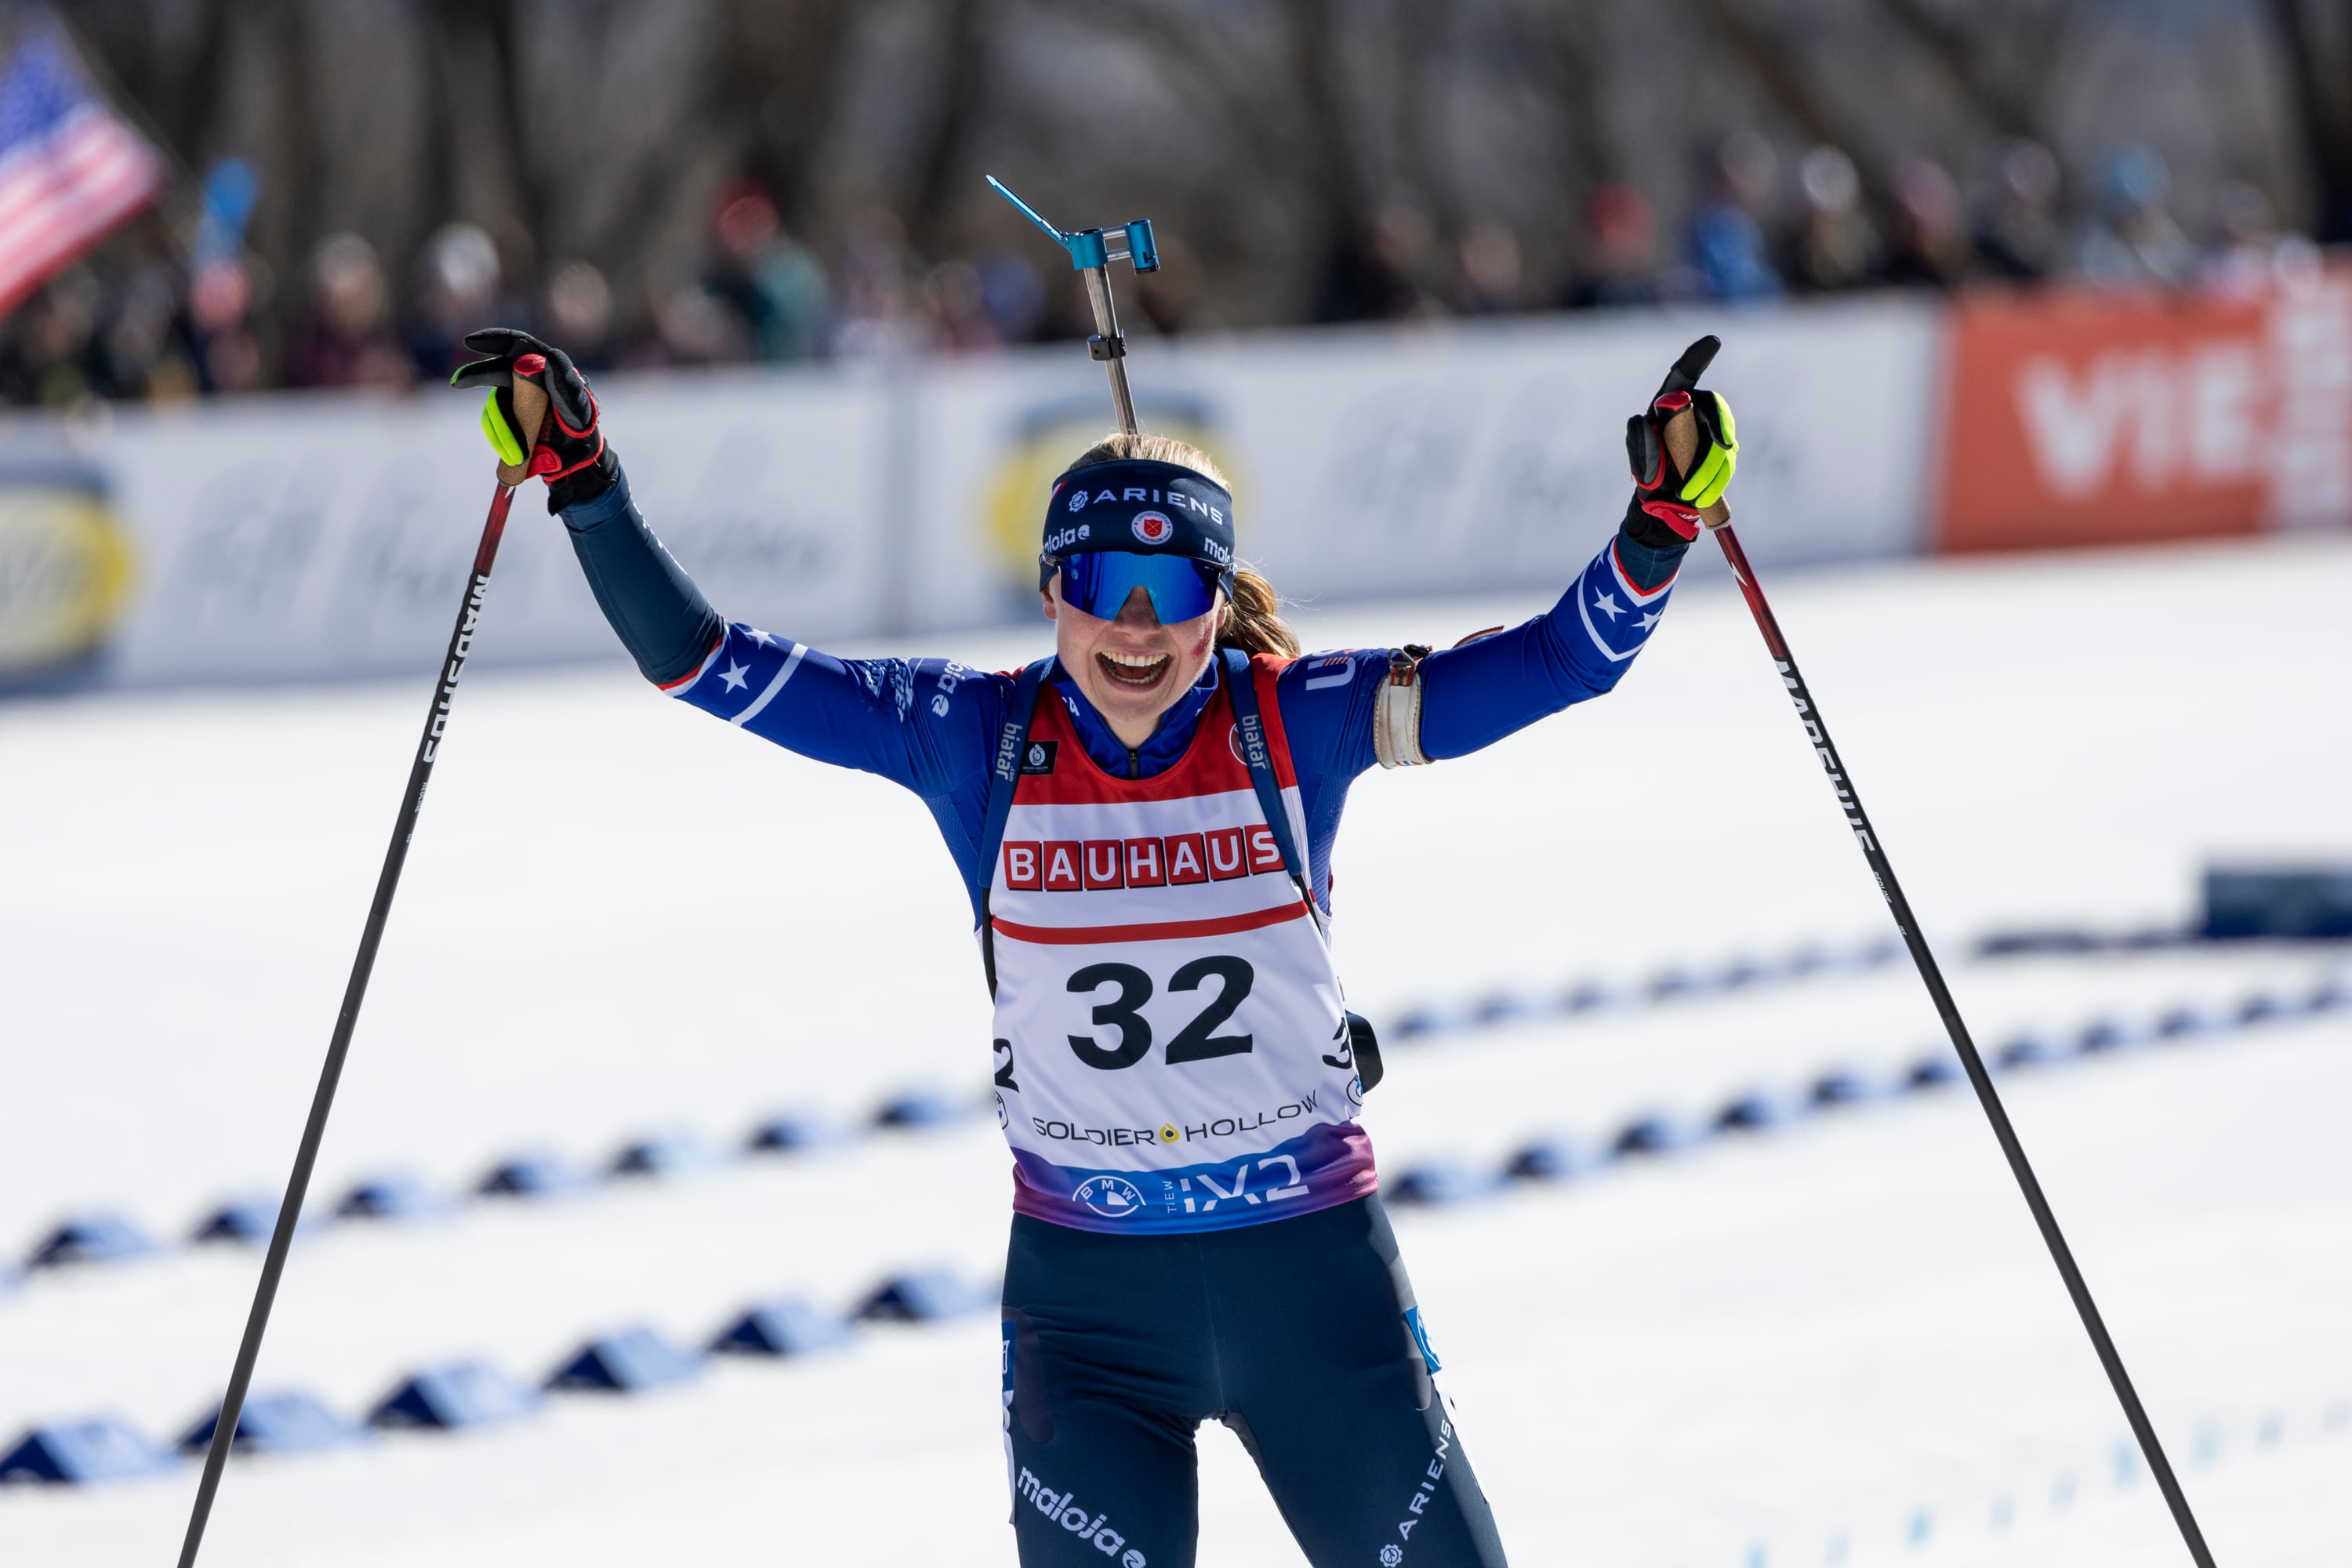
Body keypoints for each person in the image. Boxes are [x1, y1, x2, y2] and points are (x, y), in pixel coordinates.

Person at [452, 327, 1742, 1568]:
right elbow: (704, 666)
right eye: (1102, 589)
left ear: (1218, 598)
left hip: (1312, 1291)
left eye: (1174, 589)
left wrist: (1659, 526)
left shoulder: (1297, 723)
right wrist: (586, 482)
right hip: (1089, 1317)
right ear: (1053, 590)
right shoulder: (973, 739)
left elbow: (1566, 662)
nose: (1137, 627)